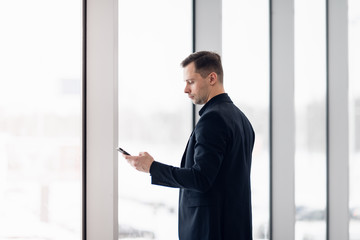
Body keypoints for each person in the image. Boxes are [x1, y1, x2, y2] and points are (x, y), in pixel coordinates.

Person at [122, 51, 255, 240]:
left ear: (212, 78)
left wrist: (151, 167)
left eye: (190, 82)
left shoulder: (213, 119)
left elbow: (201, 178)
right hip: (234, 228)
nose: (185, 89)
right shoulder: (242, 120)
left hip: (210, 230)